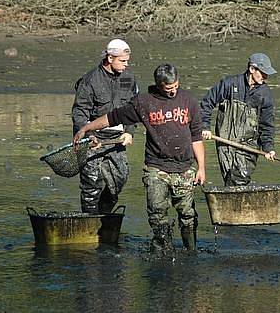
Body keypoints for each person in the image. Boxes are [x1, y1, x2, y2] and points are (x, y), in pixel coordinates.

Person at [73, 63, 205, 254]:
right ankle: (162, 253)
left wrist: (201, 167)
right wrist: (86, 128)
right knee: (157, 215)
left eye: (176, 86)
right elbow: (113, 117)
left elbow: (196, 137)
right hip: (156, 168)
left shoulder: (189, 101)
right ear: (159, 85)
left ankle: (191, 252)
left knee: (188, 215)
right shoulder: (144, 102)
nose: (173, 91)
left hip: (185, 169)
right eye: (168, 88)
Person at [71, 38, 138, 214]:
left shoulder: (129, 79)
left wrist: (130, 132)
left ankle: (105, 214)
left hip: (116, 139)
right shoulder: (90, 80)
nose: (126, 64)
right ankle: (90, 223)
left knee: (120, 179)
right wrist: (88, 136)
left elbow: (133, 108)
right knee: (91, 185)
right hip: (92, 139)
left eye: (127, 61)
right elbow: (80, 111)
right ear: (110, 58)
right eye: (122, 61)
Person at [200, 53, 277, 186]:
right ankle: (238, 205)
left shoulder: (265, 94)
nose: (265, 77)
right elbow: (207, 103)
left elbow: (267, 124)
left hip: (249, 144)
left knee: (240, 177)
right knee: (230, 179)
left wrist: (268, 147)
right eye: (263, 73)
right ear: (252, 69)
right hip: (224, 143)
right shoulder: (229, 84)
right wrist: (205, 127)